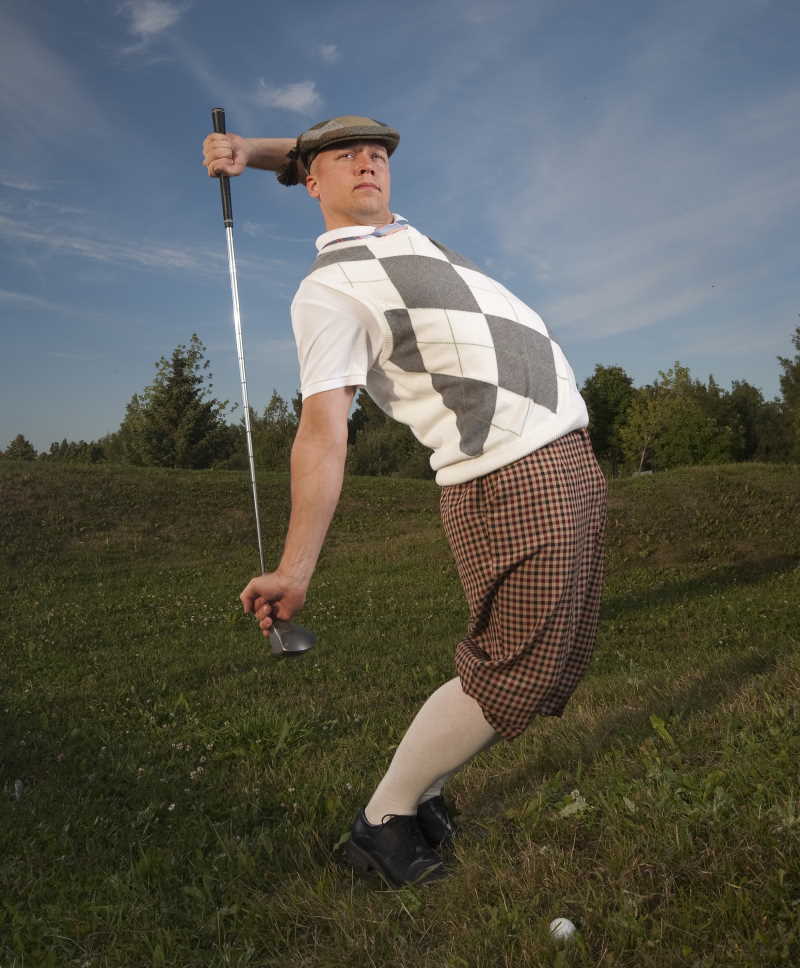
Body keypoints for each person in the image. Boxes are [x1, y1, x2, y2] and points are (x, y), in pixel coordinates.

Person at [202, 116, 608, 888]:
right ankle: (384, 821)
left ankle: (418, 796)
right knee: (513, 671)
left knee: (549, 666)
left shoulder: (405, 239)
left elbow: (308, 156)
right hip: (507, 476)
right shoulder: (329, 291)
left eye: (379, 153)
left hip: (565, 457)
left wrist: (253, 155)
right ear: (313, 181)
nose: (368, 161)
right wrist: (295, 568)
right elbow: (322, 432)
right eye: (345, 156)